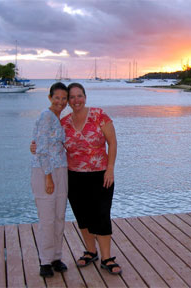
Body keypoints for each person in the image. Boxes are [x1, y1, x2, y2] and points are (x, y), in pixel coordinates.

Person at [31, 82, 121, 275]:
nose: (75, 100)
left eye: (79, 96)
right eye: (71, 97)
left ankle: (106, 257)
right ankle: (91, 251)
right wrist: (35, 146)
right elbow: (51, 143)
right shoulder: (63, 122)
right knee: (83, 216)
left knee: (102, 215)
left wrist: (110, 168)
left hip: (101, 174)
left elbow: (112, 142)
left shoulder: (99, 115)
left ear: (85, 97)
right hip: (73, 176)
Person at [31, 82, 69, 278]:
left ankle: (56, 256)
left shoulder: (58, 118)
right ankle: (45, 261)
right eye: (57, 98)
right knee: (47, 219)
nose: (60, 102)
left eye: (64, 99)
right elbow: (41, 149)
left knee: (59, 217)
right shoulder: (46, 116)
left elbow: (40, 143)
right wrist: (48, 177)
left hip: (61, 170)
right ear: (50, 98)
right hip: (45, 172)